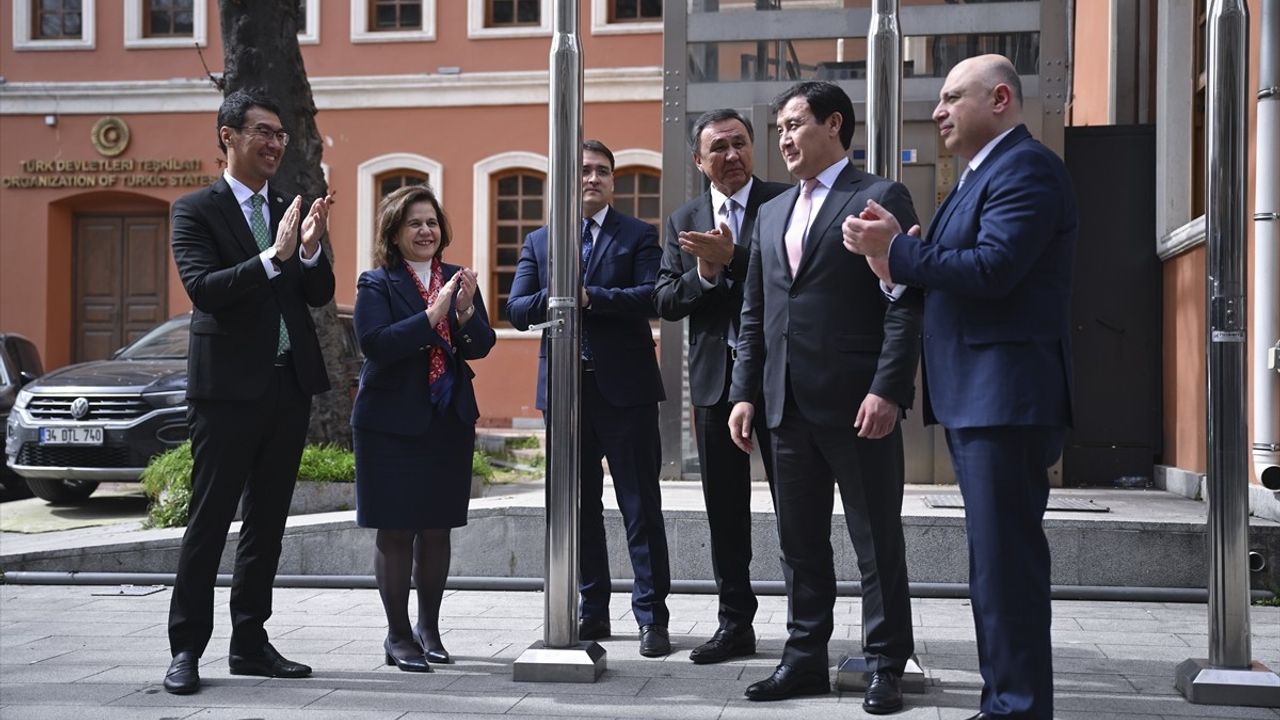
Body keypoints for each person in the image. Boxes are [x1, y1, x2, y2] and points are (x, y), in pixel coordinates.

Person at [842, 54, 1077, 720]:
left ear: (1000, 99)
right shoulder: (978, 175)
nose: (939, 110)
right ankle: (1005, 701)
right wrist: (890, 263)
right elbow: (945, 274)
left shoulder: (1025, 169)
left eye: (951, 98)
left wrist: (901, 249)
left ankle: (1017, 707)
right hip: (984, 394)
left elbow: (995, 268)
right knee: (993, 568)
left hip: (1006, 394)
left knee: (1006, 568)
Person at [727, 81, 921, 713]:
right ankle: (804, 657)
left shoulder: (876, 196)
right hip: (784, 407)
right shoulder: (772, 211)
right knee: (799, 542)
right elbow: (756, 312)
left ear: (834, 124)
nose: (783, 137)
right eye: (779, 127)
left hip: (857, 404)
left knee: (875, 540)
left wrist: (888, 388)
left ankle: (886, 663)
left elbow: (903, 301)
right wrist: (745, 392)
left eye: (794, 124)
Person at [164, 88, 335, 695]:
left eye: (281, 135)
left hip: (287, 388)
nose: (275, 143)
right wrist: (273, 256)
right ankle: (186, 649)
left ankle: (251, 643)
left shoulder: (292, 205)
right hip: (227, 394)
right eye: (263, 131)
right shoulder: (195, 211)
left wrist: (310, 252)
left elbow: (316, 296)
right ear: (227, 137)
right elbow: (204, 289)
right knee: (210, 522)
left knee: (268, 523)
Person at [507, 140, 672, 658]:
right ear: (566, 178)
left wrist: (590, 297)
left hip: (626, 393)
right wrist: (561, 293)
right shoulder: (541, 241)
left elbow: (652, 297)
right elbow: (516, 308)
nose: (593, 178)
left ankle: (652, 618)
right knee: (579, 509)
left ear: (613, 181)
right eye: (583, 170)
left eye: (603, 171)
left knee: (640, 506)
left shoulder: (639, 236)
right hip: (565, 393)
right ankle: (593, 610)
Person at [653, 109, 789, 665]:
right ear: (698, 160)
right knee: (724, 514)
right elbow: (663, 301)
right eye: (719, 148)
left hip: (780, 379)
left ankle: (809, 629)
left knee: (796, 511)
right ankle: (735, 625)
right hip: (714, 383)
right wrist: (705, 274)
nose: (732, 155)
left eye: (741, 144)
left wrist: (730, 257)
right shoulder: (684, 218)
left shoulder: (785, 202)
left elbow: (790, 276)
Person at [351, 184, 496, 672]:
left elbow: (480, 345)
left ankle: (428, 628)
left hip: (446, 419)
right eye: (414, 222)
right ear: (394, 232)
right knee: (396, 531)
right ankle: (396, 636)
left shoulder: (457, 278)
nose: (425, 230)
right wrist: (431, 317)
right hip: (389, 423)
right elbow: (376, 344)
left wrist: (464, 313)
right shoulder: (375, 282)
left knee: (437, 529)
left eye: (431, 222)